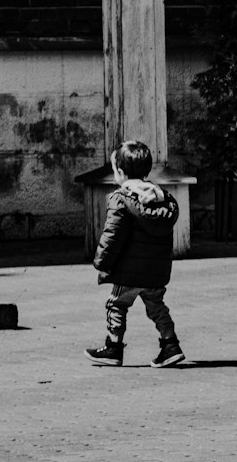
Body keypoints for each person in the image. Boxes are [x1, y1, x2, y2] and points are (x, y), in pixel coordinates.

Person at [85, 139, 185, 368]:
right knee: (157, 306)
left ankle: (113, 347)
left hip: (128, 272)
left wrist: (102, 262)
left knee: (116, 305)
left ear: (120, 172)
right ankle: (170, 345)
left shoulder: (121, 199)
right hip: (155, 271)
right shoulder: (161, 198)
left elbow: (113, 235)